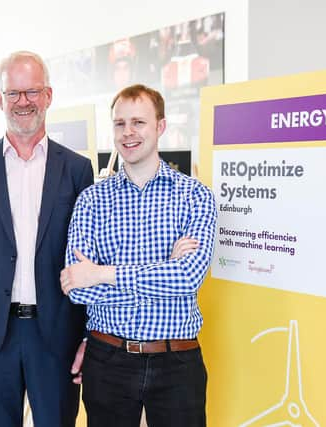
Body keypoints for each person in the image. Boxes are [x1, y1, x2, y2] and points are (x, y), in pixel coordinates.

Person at [60, 84, 217, 427]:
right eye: (119, 124)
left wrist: (103, 273)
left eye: (139, 122)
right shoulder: (92, 200)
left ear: (160, 126)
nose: (128, 133)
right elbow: (78, 288)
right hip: (108, 359)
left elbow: (189, 277)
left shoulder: (195, 196)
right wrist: (166, 270)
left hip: (177, 361)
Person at [0, 51, 94, 427]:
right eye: (13, 93)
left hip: (57, 335)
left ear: (48, 96)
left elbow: (87, 259)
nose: (23, 102)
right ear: (0, 100)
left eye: (31, 91)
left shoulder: (78, 169)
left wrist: (86, 337)